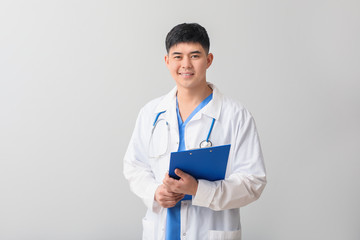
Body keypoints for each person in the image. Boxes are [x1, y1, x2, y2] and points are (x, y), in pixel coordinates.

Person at [123, 23, 266, 240]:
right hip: (160, 231)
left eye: (195, 56)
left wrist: (199, 190)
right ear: (167, 61)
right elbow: (134, 167)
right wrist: (155, 192)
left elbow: (253, 182)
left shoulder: (236, 115)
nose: (186, 64)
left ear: (208, 60)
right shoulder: (151, 113)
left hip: (209, 231)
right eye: (178, 56)